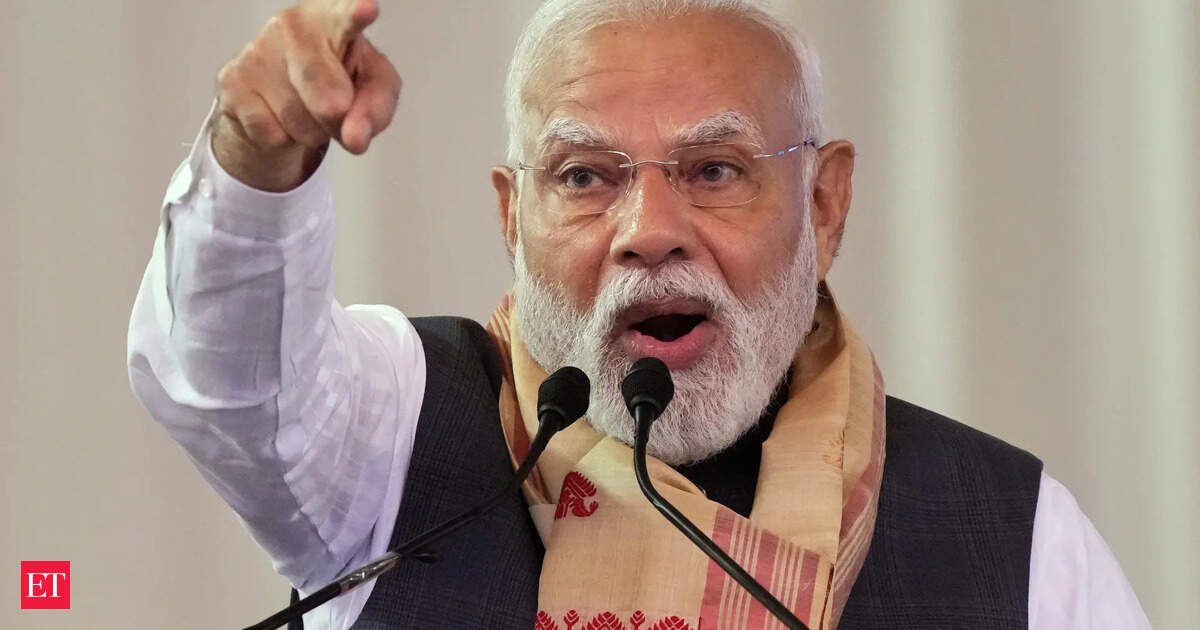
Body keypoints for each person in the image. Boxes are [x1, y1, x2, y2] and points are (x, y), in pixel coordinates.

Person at [126, 1, 1152, 628]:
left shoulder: (1015, 537)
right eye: (584, 176)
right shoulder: (400, 438)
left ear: (825, 204)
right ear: (512, 216)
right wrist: (256, 163)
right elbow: (231, 386)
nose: (649, 231)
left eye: (715, 169)